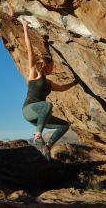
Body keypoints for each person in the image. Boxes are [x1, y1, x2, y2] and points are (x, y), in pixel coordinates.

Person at [22, 20, 77, 160]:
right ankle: (37, 137)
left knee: (64, 126)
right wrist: (25, 27)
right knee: (48, 105)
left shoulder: (50, 83)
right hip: (29, 110)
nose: (53, 69)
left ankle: (47, 146)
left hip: (39, 117)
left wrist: (76, 82)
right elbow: (30, 51)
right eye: (51, 66)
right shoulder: (34, 73)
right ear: (45, 65)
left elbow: (63, 88)